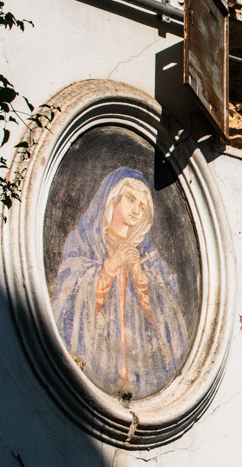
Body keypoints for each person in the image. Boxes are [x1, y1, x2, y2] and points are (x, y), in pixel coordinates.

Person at [51, 167, 190, 399]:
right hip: (96, 357)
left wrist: (139, 275)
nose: (136, 210)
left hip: (139, 370)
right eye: (131, 199)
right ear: (113, 198)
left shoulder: (147, 255)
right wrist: (111, 266)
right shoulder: (85, 240)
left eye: (142, 206)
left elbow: (168, 311)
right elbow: (69, 291)